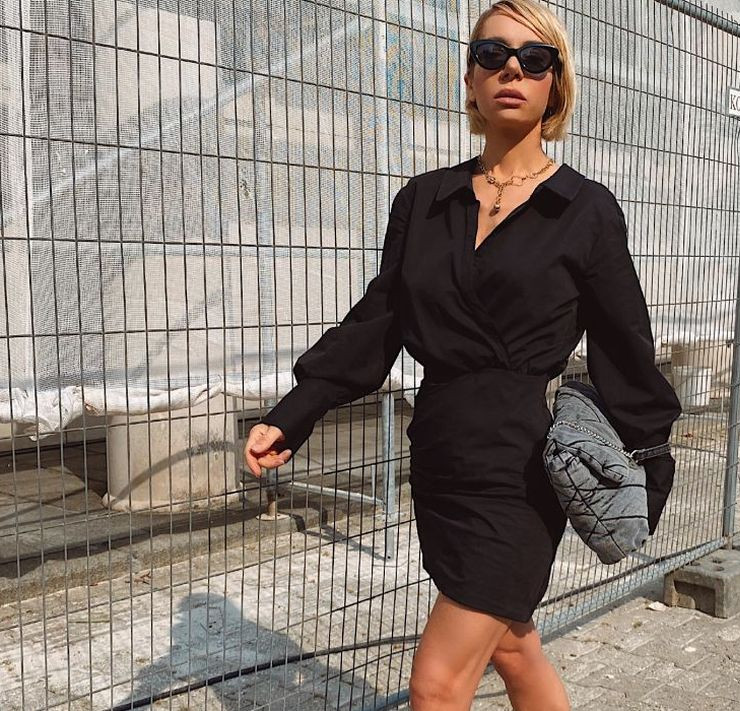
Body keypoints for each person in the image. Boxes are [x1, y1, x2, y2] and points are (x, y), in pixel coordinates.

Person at [243, 0, 681, 707]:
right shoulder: (424, 201)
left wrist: (651, 452)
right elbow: (378, 322)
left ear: (555, 84)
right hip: (441, 455)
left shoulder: (585, 209)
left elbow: (624, 339)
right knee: (512, 644)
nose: (512, 70)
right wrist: (296, 411)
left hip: (520, 466)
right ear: (470, 78)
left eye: (534, 59)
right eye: (492, 55)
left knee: (437, 684)